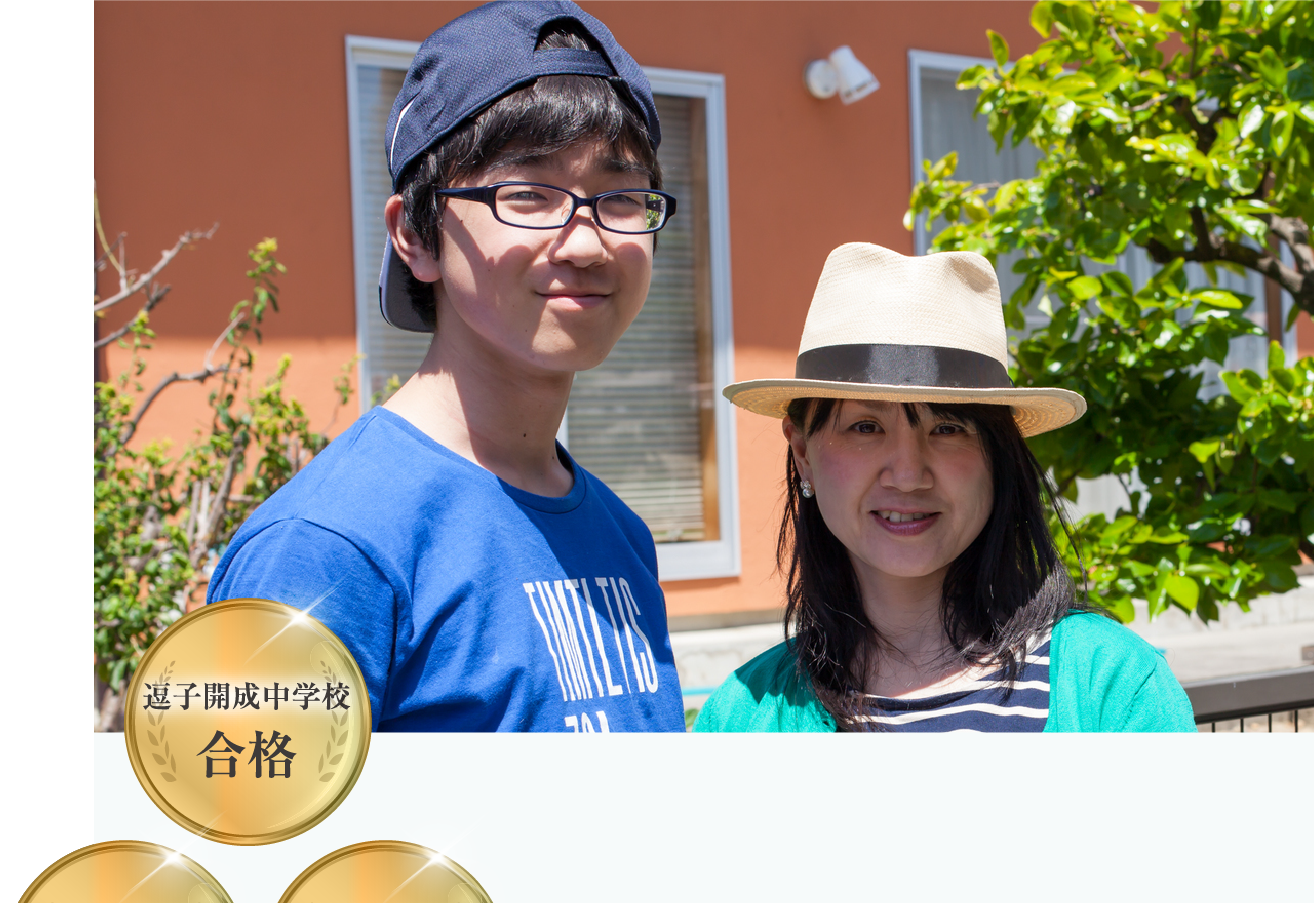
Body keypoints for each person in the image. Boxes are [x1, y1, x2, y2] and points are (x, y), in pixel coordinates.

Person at [208, 0, 686, 733]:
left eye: (621, 197)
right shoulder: (328, 547)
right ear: (415, 236)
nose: (587, 244)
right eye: (528, 194)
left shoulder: (621, 535)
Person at [695, 242, 1197, 733]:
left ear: (998, 456)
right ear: (803, 453)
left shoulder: (1115, 687)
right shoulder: (743, 716)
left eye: (948, 427)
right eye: (866, 427)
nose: (908, 474)